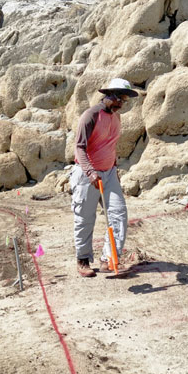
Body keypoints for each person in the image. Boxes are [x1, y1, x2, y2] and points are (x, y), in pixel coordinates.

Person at [70, 78, 138, 277]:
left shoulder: (116, 118)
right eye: (120, 99)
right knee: (85, 217)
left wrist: (114, 167)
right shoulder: (90, 116)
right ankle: (82, 261)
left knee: (118, 214)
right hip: (86, 174)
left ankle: (109, 259)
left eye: (124, 101)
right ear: (110, 95)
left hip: (109, 174)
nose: (122, 104)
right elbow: (79, 147)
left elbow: (110, 145)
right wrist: (90, 172)